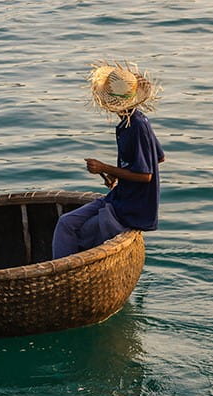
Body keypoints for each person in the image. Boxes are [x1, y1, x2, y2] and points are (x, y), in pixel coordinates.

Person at [52, 62, 165, 259]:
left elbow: (146, 175)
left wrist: (104, 167)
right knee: (66, 222)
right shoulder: (130, 122)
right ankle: (60, 270)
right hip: (119, 197)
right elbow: (158, 158)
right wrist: (116, 176)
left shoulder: (137, 126)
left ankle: (65, 275)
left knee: (82, 235)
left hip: (130, 209)